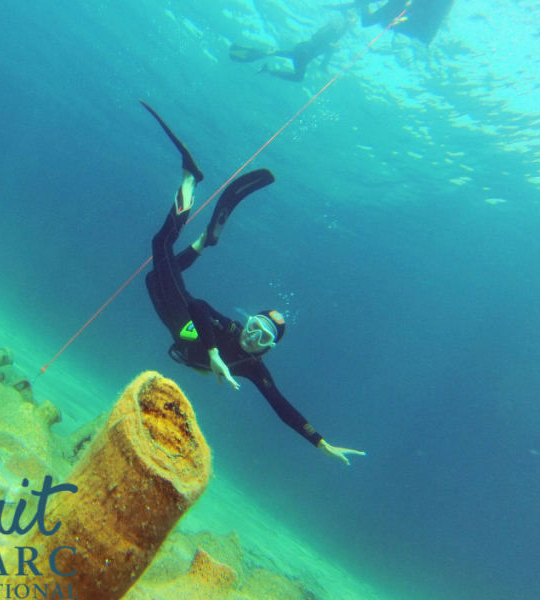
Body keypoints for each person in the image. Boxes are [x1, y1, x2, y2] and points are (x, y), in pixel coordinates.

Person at [140, 101, 365, 465]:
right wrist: (214, 354)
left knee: (155, 277)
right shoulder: (228, 330)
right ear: (249, 321)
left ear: (268, 349)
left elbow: (280, 405)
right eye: (256, 326)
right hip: (183, 322)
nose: (253, 336)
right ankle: (190, 180)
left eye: (263, 338)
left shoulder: (252, 367)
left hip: (175, 329)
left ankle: (203, 242)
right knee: (159, 245)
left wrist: (322, 443)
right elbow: (197, 308)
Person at [253, 14, 356, 82]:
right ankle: (270, 65)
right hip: (304, 54)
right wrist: (328, 73)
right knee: (298, 75)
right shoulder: (333, 38)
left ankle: (270, 54)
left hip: (301, 48)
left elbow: (317, 38)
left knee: (294, 58)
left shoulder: (328, 31)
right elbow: (322, 66)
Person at [328, 0, 455, 44]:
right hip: (421, 25)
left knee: (369, 20)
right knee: (368, 21)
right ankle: (362, 5)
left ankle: (362, 5)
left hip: (420, 22)